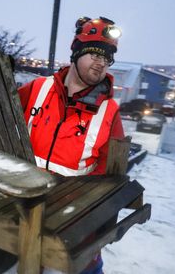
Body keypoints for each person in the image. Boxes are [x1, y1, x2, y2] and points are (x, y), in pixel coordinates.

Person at [18, 16, 125, 274]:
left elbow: (110, 174)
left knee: (85, 265)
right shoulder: (38, 89)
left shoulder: (109, 111)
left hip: (73, 210)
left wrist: (88, 216)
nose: (101, 63)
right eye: (95, 54)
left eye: (107, 57)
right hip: (24, 199)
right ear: (76, 53)